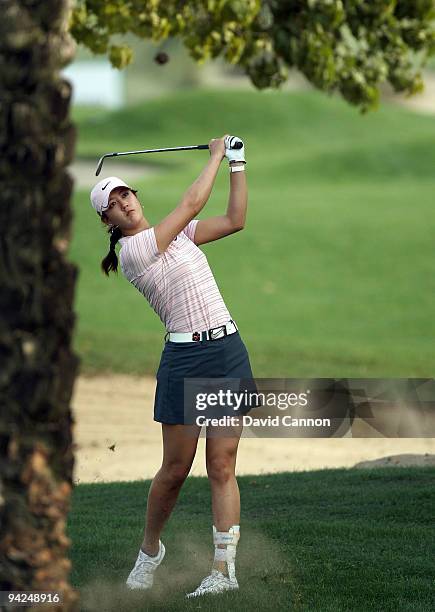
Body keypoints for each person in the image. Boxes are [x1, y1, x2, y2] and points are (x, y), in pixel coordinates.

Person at [90, 135, 256, 598]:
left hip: (226, 349)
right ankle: (150, 551)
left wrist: (237, 163)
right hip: (184, 359)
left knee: (221, 465)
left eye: (126, 193)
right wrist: (216, 155)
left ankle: (224, 572)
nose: (123, 202)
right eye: (113, 202)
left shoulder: (178, 234)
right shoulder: (133, 254)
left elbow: (235, 220)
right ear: (106, 219)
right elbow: (192, 200)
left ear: (134, 198)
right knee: (175, 470)